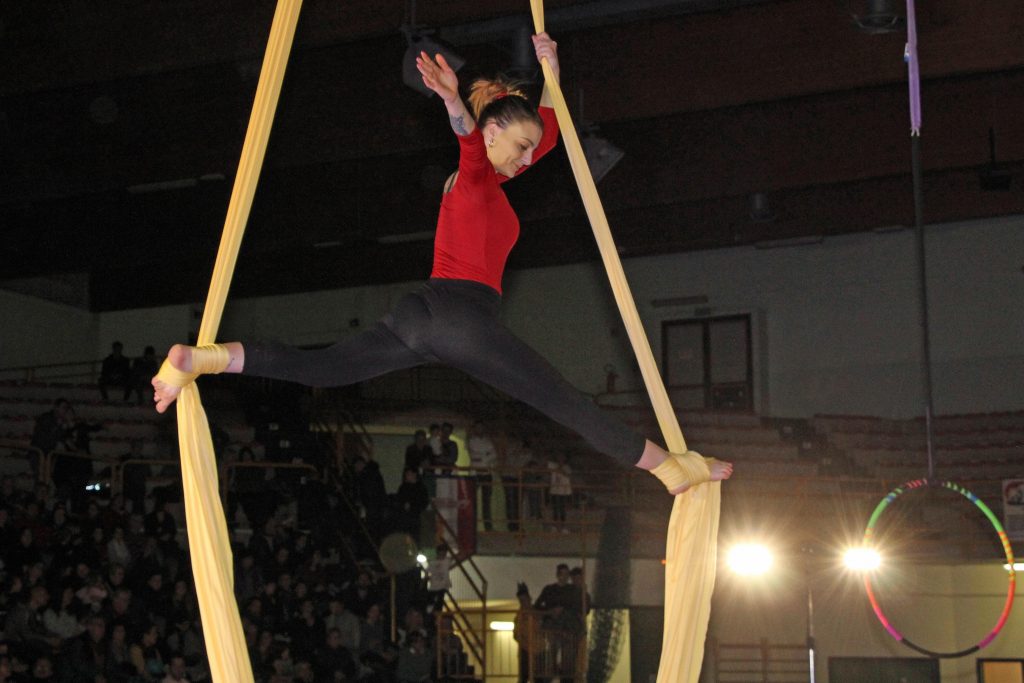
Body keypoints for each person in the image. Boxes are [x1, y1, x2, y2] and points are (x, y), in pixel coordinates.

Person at [150, 31, 731, 499]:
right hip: (460, 316)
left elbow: (549, 131)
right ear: (492, 130)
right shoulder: (475, 170)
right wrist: (455, 101)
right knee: (562, 402)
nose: (528, 159)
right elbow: (469, 140)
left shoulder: (500, 171)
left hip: (421, 314)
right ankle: (667, 468)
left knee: (322, 369)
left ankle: (204, 358)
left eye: (530, 150)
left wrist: (551, 70)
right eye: (518, 147)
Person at [467, 421, 498, 531]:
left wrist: (483, 458)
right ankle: (471, 526)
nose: (479, 429)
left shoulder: (488, 441)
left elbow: (494, 454)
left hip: (487, 474)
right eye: (477, 427)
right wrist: (486, 456)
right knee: (471, 500)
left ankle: (488, 527)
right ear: (475, 429)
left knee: (486, 502)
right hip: (475, 474)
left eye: (481, 427)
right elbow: (474, 456)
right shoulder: (471, 441)